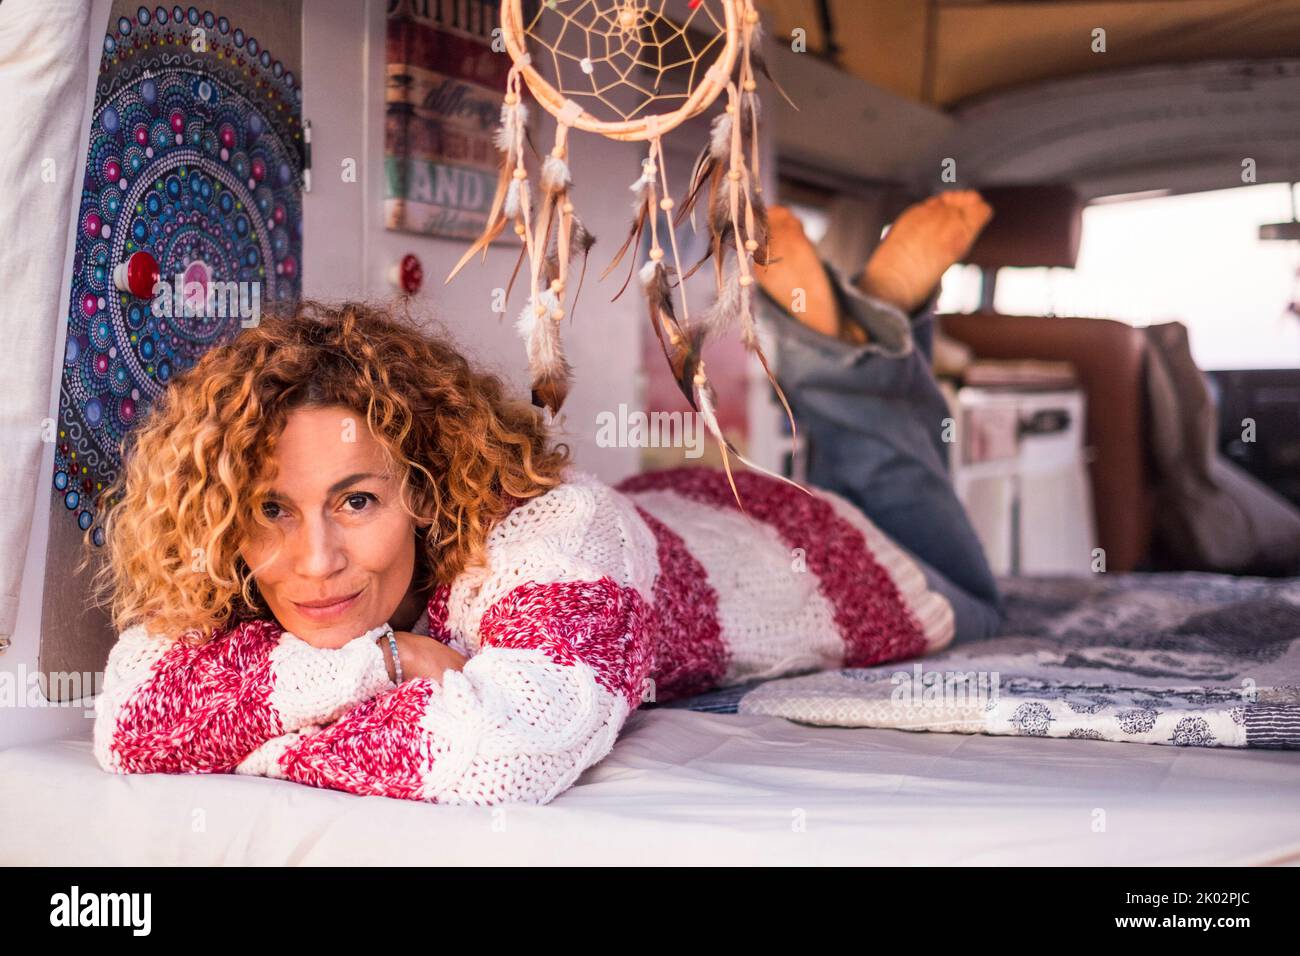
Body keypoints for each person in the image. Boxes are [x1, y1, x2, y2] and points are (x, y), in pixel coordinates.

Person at [91, 191, 998, 806]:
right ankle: (866, 322)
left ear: (425, 483)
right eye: (271, 510)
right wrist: (389, 663)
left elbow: (508, 749)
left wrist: (251, 739)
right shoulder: (251, 568)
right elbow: (132, 718)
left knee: (947, 561)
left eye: (358, 501)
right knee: (867, 463)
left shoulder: (561, 529)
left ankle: (862, 324)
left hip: (819, 558)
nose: (316, 560)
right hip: (678, 514)